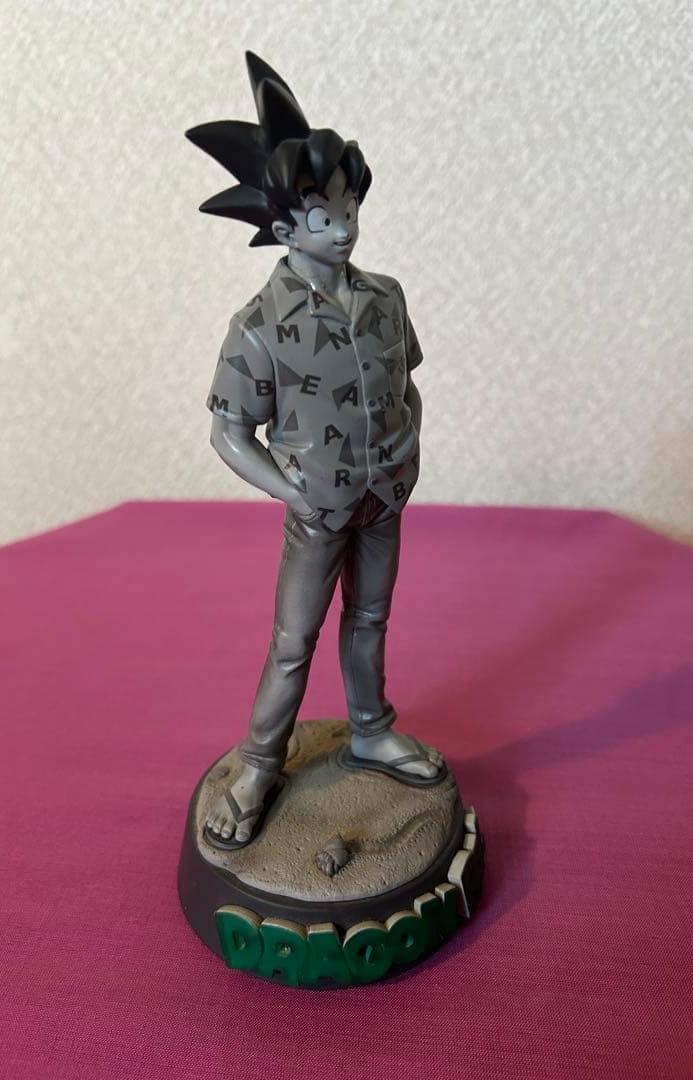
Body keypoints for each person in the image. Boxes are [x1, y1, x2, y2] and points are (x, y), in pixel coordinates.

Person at [187, 52, 445, 850]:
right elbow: (228, 431)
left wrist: (409, 445)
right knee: (293, 642)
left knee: (371, 618)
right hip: (317, 507)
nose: (344, 224)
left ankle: (371, 728)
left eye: (349, 205)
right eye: (322, 213)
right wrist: (291, 491)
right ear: (282, 227)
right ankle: (261, 763)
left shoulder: (385, 298)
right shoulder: (259, 326)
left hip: (384, 495)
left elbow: (408, 381)